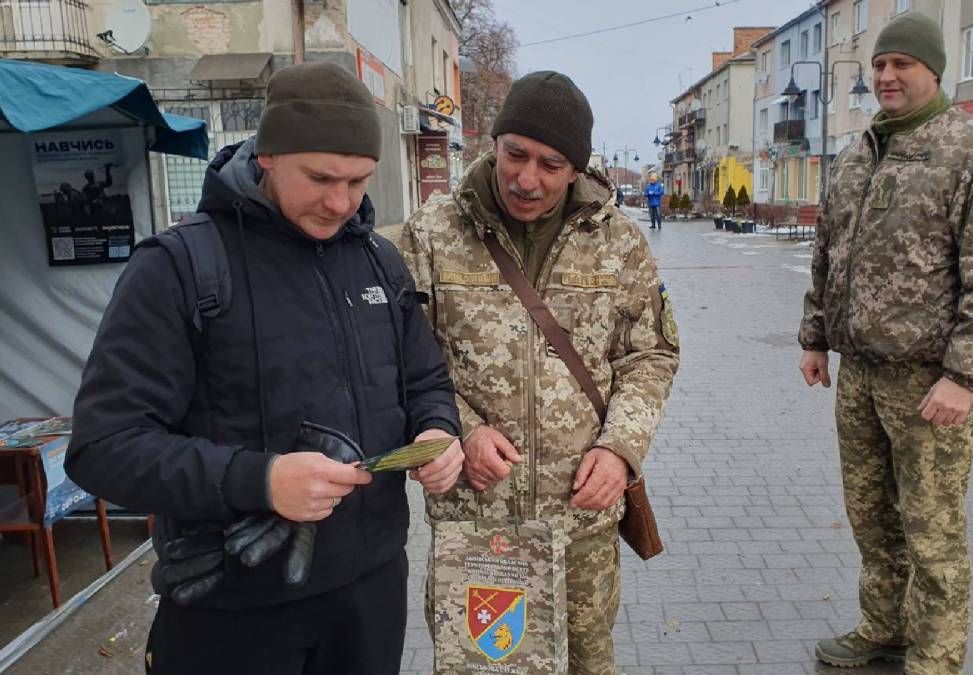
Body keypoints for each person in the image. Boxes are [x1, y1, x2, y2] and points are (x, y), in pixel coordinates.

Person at [66, 61, 464, 675]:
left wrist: (438, 431)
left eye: (358, 181)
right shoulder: (178, 267)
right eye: (320, 177)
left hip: (371, 595)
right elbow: (103, 447)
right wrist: (260, 480)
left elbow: (426, 382)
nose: (340, 202)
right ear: (269, 156)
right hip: (232, 609)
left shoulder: (379, 262)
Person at [381, 70, 680, 675]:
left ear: (576, 169)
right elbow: (399, 358)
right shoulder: (431, 235)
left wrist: (621, 449)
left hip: (582, 519)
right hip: (477, 520)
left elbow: (649, 355)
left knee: (587, 663)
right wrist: (461, 429)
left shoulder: (618, 242)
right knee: (482, 666)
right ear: (494, 143)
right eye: (515, 154)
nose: (526, 178)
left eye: (550, 163)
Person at [797, 12, 973, 675]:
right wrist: (816, 337)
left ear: (934, 70)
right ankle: (883, 627)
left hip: (930, 384)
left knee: (932, 529)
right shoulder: (857, 153)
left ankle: (937, 655)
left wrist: (965, 376)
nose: (886, 75)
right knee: (871, 517)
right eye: (879, 64)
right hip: (861, 377)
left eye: (901, 63)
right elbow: (828, 253)